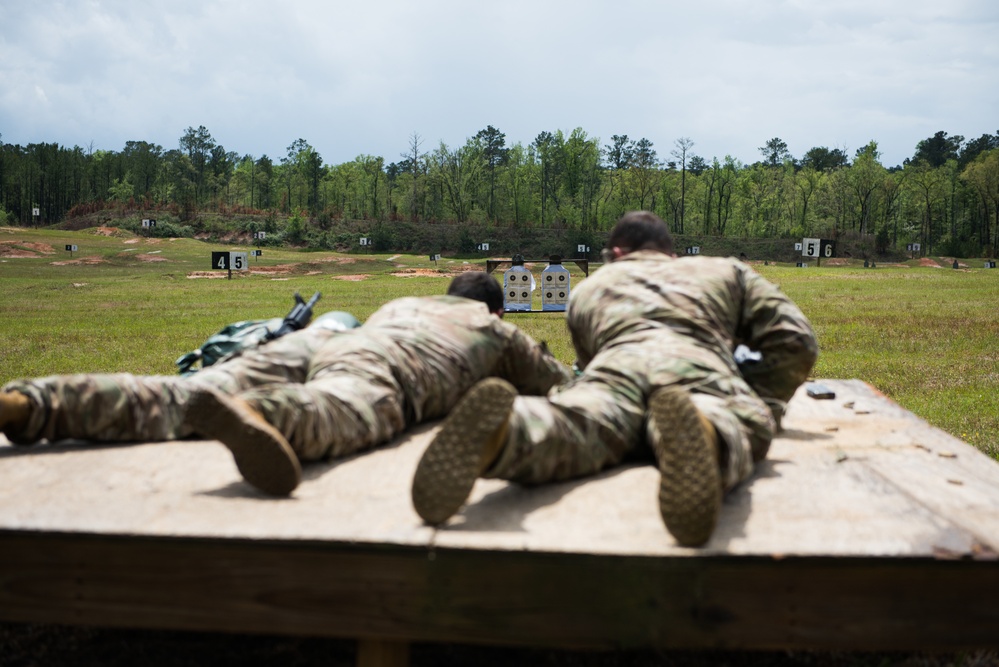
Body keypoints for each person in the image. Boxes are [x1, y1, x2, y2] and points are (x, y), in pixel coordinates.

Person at [411, 211, 819, 547]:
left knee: (579, 420)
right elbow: (795, 341)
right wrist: (760, 398)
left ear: (617, 253)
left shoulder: (591, 288)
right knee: (722, 414)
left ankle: (507, 433)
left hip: (614, 370)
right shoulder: (725, 271)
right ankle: (708, 432)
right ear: (671, 253)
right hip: (696, 369)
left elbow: (587, 365)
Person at [1, 273, 571, 497]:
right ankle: (262, 417)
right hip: (384, 369)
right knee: (338, 408)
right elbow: (557, 385)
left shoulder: (405, 300)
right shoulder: (493, 331)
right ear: (496, 311)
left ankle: (33, 403)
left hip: (330, 340)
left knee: (178, 391)